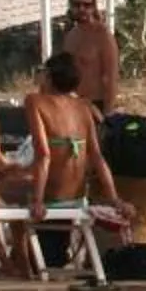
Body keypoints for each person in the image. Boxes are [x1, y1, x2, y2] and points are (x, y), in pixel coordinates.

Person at [26, 49, 124, 228]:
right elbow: (96, 156)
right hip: (77, 197)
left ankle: (12, 247)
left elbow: (44, 155)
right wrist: (114, 198)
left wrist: (37, 200)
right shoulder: (84, 106)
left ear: (49, 76)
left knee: (5, 188)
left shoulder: (35, 101)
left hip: (51, 197)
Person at [59, 0, 121, 114]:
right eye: (77, 5)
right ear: (71, 7)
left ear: (93, 8)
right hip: (72, 105)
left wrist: (108, 114)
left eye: (87, 5)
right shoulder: (71, 36)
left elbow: (111, 78)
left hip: (96, 105)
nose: (82, 9)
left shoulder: (103, 35)